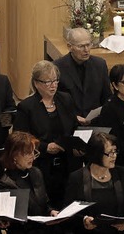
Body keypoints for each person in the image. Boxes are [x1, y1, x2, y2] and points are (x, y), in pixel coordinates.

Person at [13, 60, 79, 209]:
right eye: (48, 82)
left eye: (55, 80)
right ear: (36, 83)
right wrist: (44, 147)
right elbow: (21, 139)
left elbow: (74, 127)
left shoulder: (65, 99)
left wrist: (78, 144)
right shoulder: (26, 107)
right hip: (42, 166)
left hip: (68, 164)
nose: (53, 85)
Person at [64, 132, 124, 233]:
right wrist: (84, 220)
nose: (114, 156)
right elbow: (67, 212)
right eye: (110, 152)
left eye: (115, 151)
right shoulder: (77, 177)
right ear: (97, 154)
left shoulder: (123, 173)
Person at [0, 131, 63, 233]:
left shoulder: (36, 172)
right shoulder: (5, 183)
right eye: (27, 153)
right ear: (14, 155)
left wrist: (51, 212)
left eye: (33, 152)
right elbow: (11, 221)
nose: (32, 156)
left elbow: (44, 204)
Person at [54, 28, 111, 125]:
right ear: (69, 46)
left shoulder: (100, 65)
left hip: (95, 123)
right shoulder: (58, 67)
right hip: (68, 123)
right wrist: (73, 116)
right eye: (81, 46)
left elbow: (106, 97)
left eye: (88, 45)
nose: (86, 50)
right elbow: (54, 101)